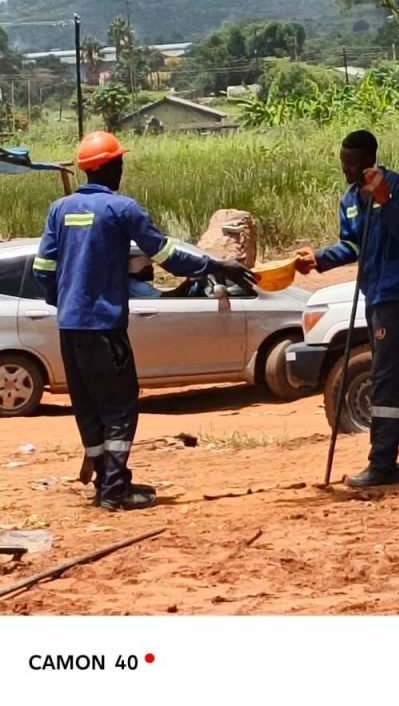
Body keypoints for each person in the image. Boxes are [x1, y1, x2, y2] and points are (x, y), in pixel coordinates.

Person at [32, 131, 254, 511]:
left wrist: (65, 301)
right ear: (113, 166)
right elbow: (167, 255)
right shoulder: (123, 209)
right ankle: (115, 492)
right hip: (105, 328)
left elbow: (42, 269)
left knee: (88, 408)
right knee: (119, 406)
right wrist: (217, 266)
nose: (122, 167)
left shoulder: (60, 210)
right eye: (120, 161)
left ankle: (108, 482)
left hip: (70, 329)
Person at [296, 129, 399, 488]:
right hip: (374, 292)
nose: (347, 170)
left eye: (353, 164)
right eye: (344, 163)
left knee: (386, 377)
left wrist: (385, 202)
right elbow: (351, 246)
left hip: (398, 293)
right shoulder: (349, 199)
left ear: (370, 159)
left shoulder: (396, 186)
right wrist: (319, 260)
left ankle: (382, 462)